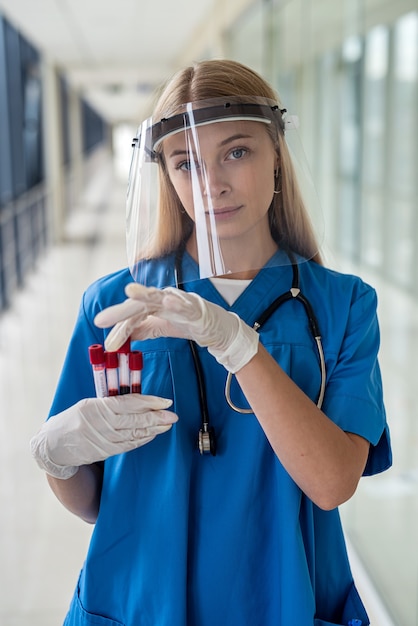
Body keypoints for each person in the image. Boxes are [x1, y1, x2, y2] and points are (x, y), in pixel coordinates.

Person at [30, 59, 391, 626]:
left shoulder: (343, 306)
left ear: (276, 156)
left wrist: (241, 347)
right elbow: (94, 501)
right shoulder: (115, 306)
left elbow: (331, 484)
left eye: (238, 152)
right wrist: (56, 457)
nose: (212, 183)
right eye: (186, 162)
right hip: (139, 601)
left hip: (281, 601)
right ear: (168, 178)